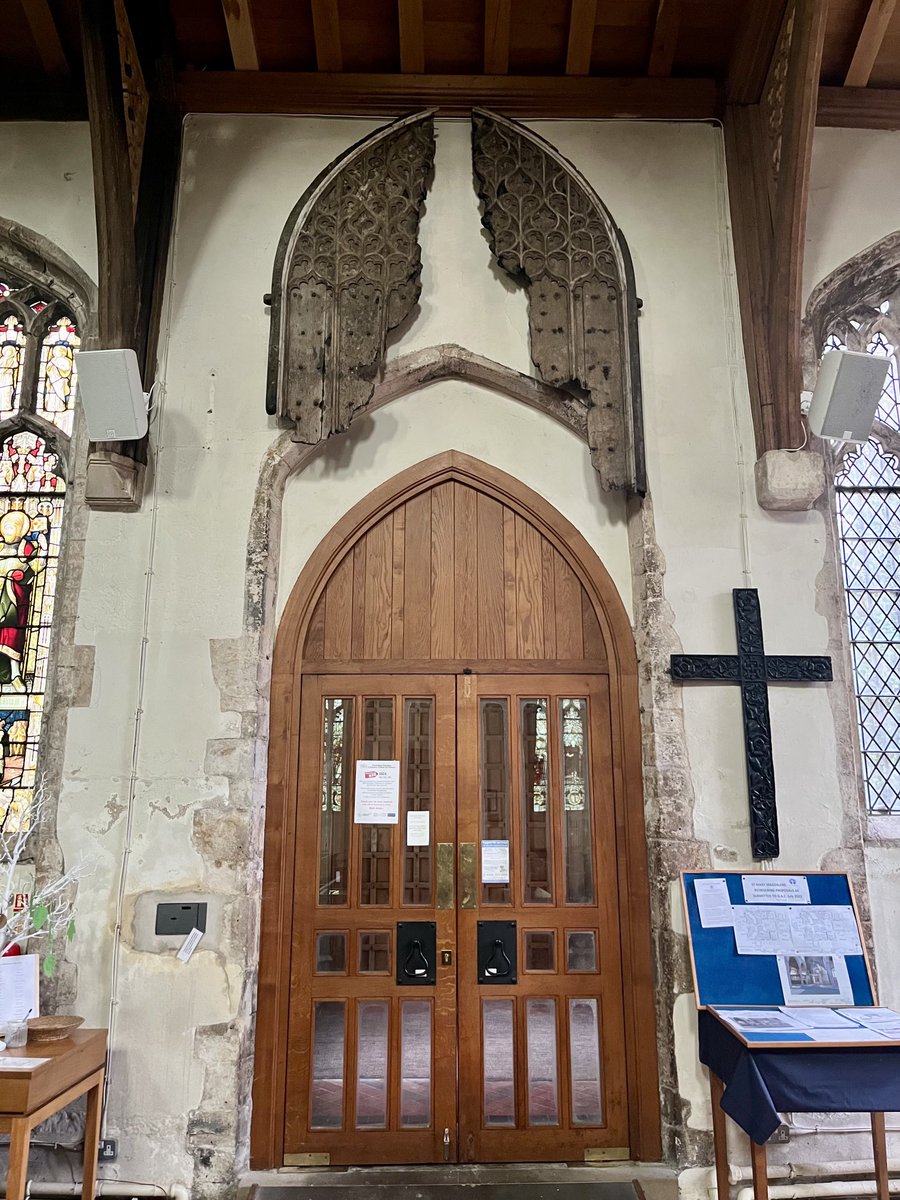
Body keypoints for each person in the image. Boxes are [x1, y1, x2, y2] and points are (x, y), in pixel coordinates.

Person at [0, 509, 46, 691]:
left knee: (12, 636)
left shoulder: (25, 548)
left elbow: (35, 567)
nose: (9, 532)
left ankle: (15, 675)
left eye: (13, 528)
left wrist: (42, 551)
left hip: (14, 600)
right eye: (7, 528)